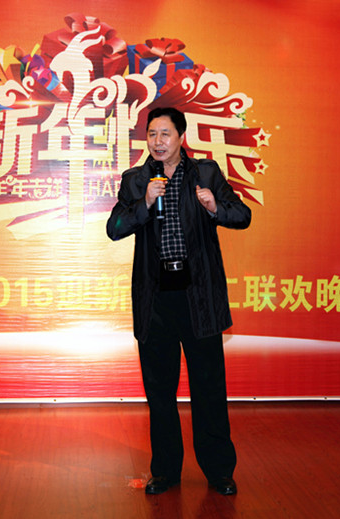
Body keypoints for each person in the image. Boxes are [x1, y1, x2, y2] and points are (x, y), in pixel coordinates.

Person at [106, 107, 252, 495]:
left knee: (209, 388)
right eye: (152, 134)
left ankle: (219, 471)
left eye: (165, 134)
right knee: (160, 392)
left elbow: (242, 215)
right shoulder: (136, 179)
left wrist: (215, 208)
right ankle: (165, 471)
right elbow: (114, 228)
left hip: (198, 297)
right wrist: (143, 204)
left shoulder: (206, 173)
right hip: (156, 301)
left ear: (181, 136)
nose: (157, 142)